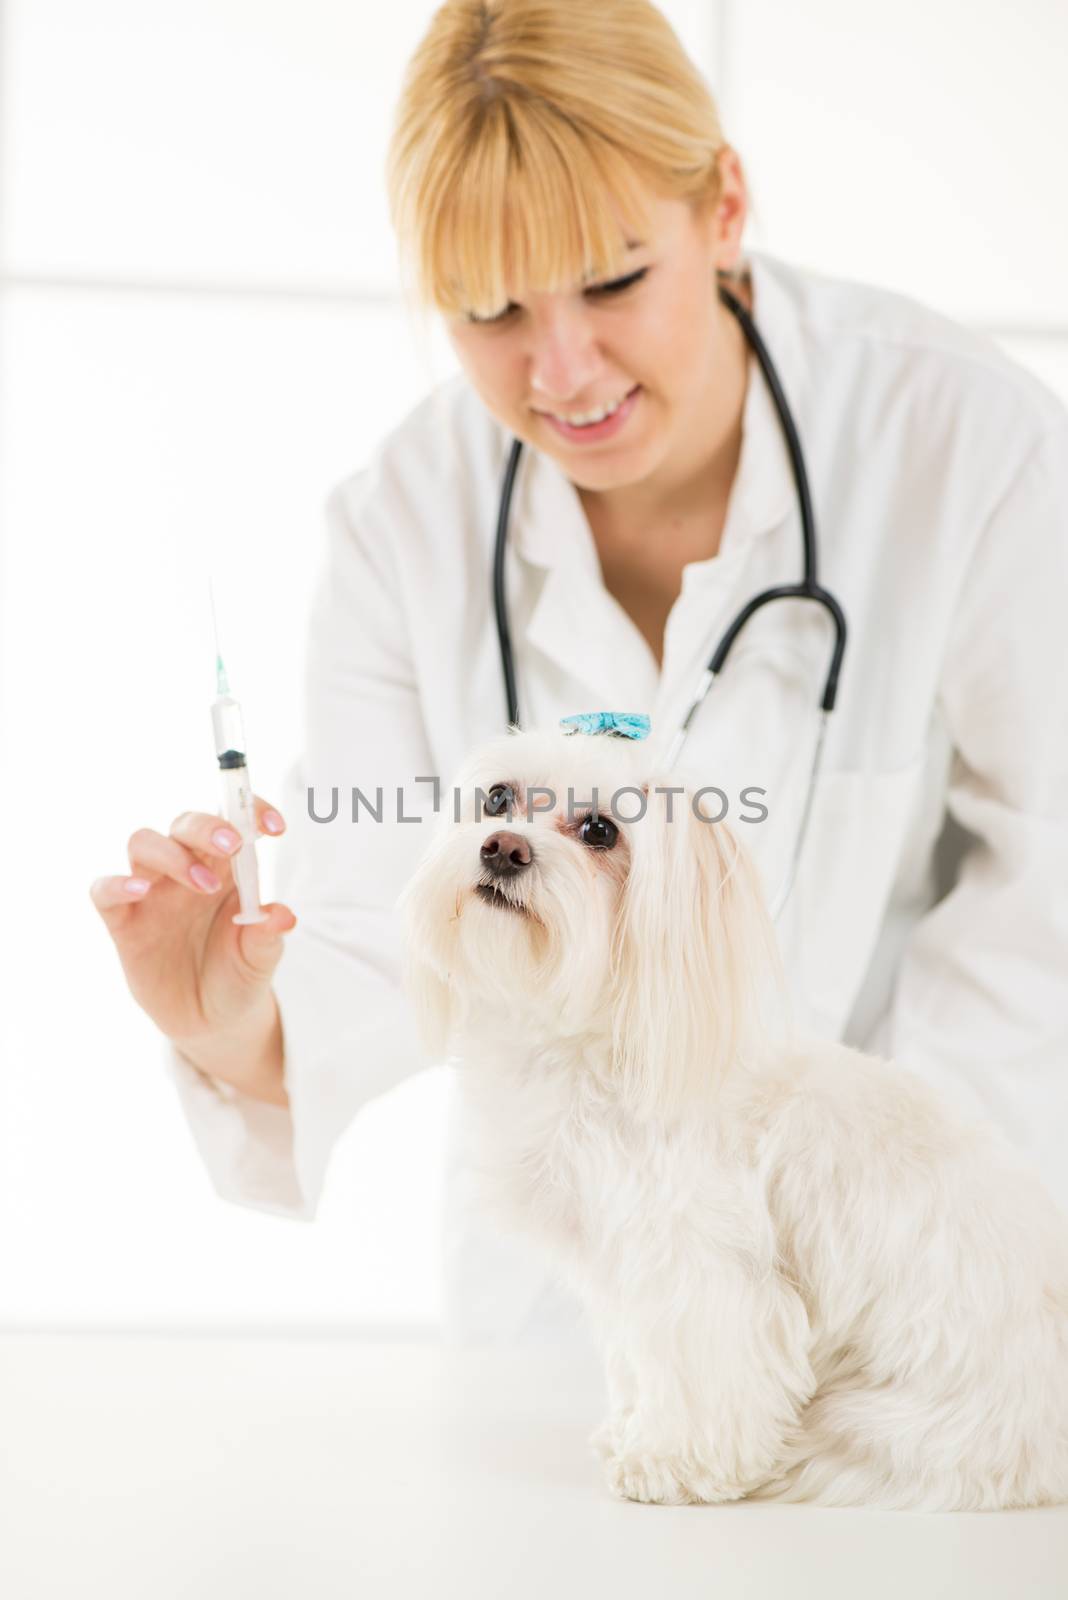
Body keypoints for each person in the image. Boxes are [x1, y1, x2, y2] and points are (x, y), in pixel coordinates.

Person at [91, 0, 1068, 1344]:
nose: (562, 373)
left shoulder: (966, 444)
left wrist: (880, 1221)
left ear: (723, 208)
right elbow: (382, 919)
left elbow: (1044, 889)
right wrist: (229, 1025)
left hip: (909, 1267)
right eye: (490, 310)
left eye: (612, 283)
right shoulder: (402, 525)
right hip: (571, 1305)